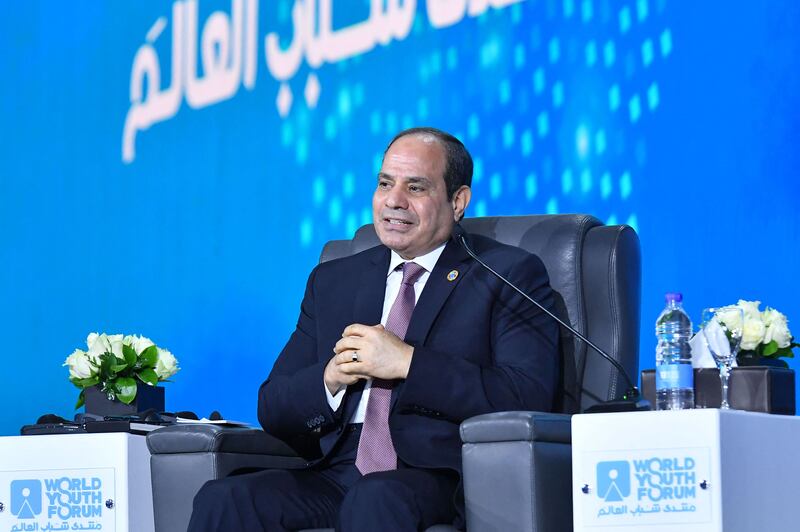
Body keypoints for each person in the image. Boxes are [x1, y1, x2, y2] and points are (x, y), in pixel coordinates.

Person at [188, 127, 560, 531]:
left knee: (375, 500)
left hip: (439, 477)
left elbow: (528, 393)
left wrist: (408, 363)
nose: (393, 201)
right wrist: (329, 380)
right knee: (224, 500)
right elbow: (272, 405)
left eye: (415, 187)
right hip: (337, 470)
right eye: (385, 184)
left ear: (458, 201)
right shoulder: (333, 281)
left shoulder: (504, 274)